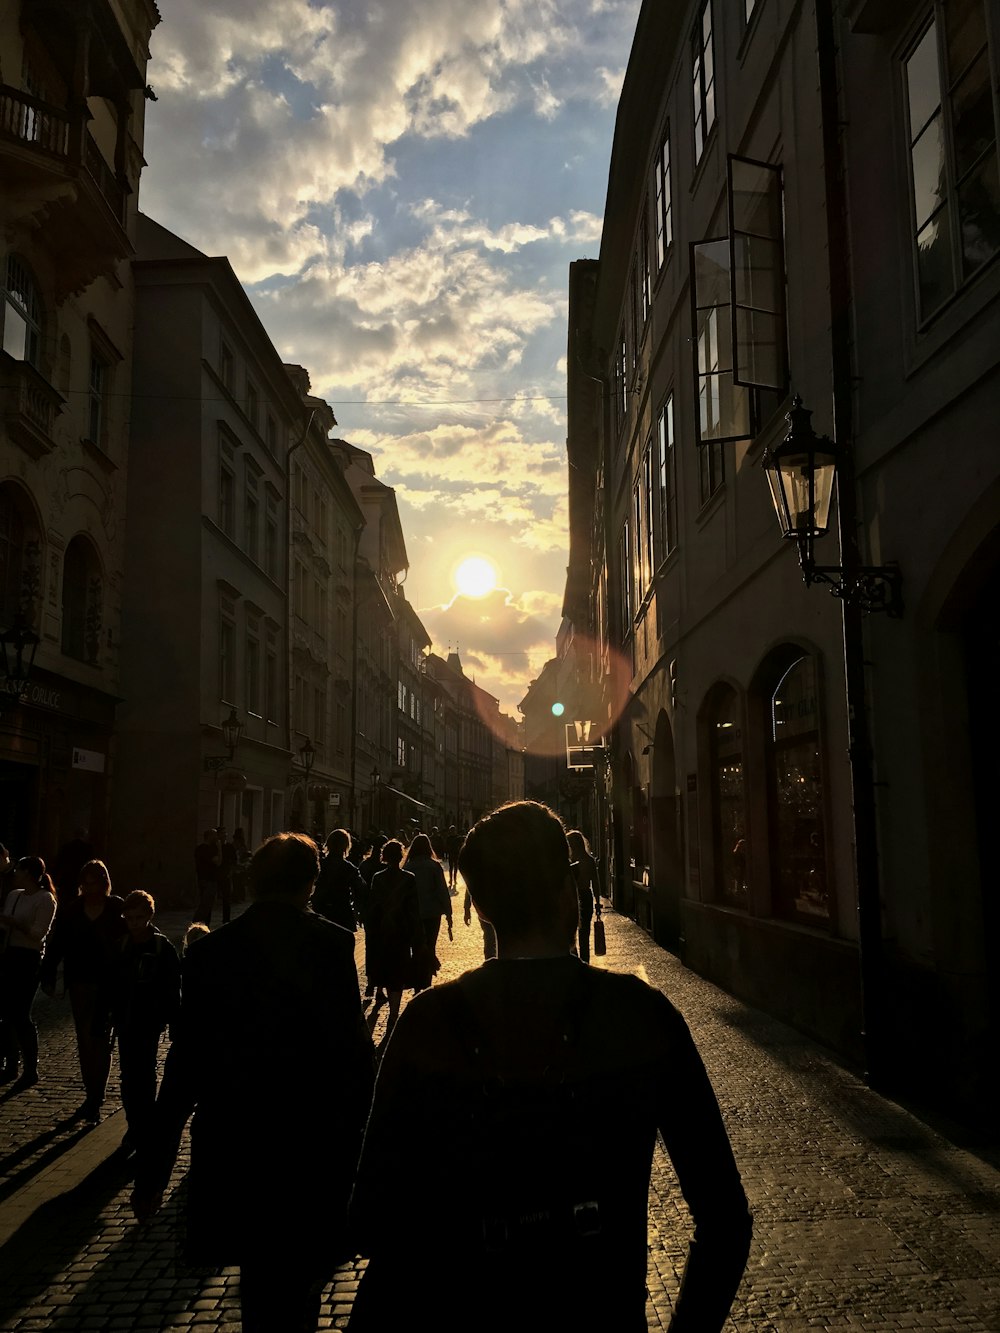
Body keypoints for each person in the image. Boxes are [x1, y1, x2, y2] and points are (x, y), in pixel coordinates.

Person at [348, 801, 752, 1332]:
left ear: (484, 908)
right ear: (568, 893)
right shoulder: (640, 1013)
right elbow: (724, 1220)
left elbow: (371, 1216)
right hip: (598, 1311)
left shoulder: (430, 1021)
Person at [131, 833, 375, 1333]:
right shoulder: (332, 946)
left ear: (254, 881)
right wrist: (365, 1160)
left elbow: (183, 1068)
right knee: (298, 1282)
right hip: (312, 1145)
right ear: (310, 884)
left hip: (235, 1145)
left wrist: (154, 1171)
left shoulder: (209, 954)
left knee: (261, 1286)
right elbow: (353, 1062)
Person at [40, 859, 126, 1121]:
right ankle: (92, 1094)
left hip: (109, 983)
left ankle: (96, 1096)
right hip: (80, 982)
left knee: (100, 1040)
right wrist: (48, 974)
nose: (90, 889)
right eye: (86, 884)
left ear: (104, 884)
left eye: (95, 884)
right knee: (85, 1040)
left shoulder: (115, 908)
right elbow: (58, 945)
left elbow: (131, 938)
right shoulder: (73, 910)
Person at [111, 891, 181, 1151]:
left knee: (145, 1073)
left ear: (149, 916)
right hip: (125, 1020)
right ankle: (135, 1124)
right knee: (129, 1075)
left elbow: (173, 987)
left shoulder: (162, 948)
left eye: (139, 917)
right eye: (129, 918)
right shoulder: (121, 945)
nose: (134, 922)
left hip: (149, 1021)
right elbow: (111, 985)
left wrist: (173, 1020)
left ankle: (144, 1123)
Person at [0, 856, 57, 1086]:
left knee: (21, 1014)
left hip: (29, 959)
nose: (15, 873)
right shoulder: (14, 896)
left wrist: (14, 922)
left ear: (30, 873)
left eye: (19, 870)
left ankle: (30, 1068)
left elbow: (38, 933)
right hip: (9, 956)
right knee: (5, 1013)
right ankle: (10, 1063)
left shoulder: (46, 899)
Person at [364, 840, 421, 1035]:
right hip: (401, 934)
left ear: (385, 857)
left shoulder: (378, 879)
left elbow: (372, 909)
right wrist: (417, 939)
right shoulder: (409, 879)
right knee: (397, 974)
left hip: (382, 934)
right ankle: (394, 1014)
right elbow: (414, 911)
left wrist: (371, 931)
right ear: (401, 855)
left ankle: (389, 1006)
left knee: (386, 971)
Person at [402, 833, 452, 987]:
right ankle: (426, 981)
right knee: (430, 945)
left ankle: (418, 980)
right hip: (432, 914)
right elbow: (442, 891)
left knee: (416, 947)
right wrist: (448, 913)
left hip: (413, 915)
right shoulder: (434, 866)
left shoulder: (407, 867)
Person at [313, 829, 363, 933]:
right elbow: (360, 891)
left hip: (321, 912)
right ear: (346, 846)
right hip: (342, 914)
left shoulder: (319, 865)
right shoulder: (350, 869)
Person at [567, 829, 601, 963]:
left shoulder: (570, 862)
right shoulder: (590, 860)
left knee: (572, 932)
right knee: (584, 934)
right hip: (587, 896)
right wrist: (597, 902)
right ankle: (585, 962)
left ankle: (575, 961)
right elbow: (596, 884)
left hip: (574, 897)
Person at [193, 829, 221, 925]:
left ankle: (204, 926)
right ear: (209, 836)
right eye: (215, 835)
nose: (217, 837)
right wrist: (219, 848)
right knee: (206, 905)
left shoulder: (199, 848)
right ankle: (196, 924)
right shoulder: (208, 849)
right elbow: (218, 862)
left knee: (206, 905)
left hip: (202, 879)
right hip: (209, 880)